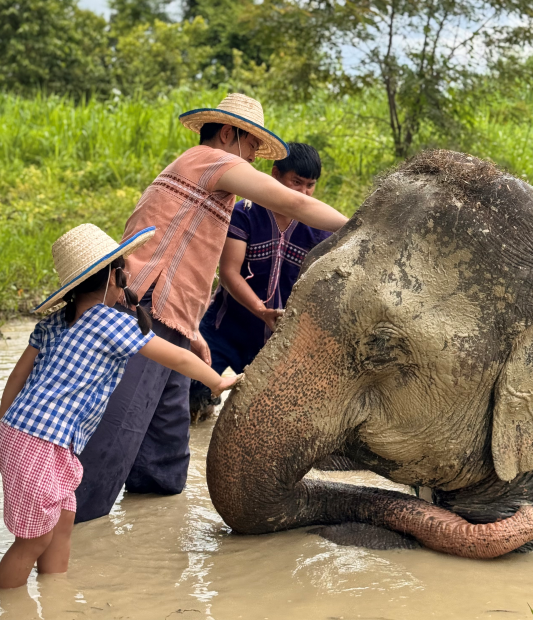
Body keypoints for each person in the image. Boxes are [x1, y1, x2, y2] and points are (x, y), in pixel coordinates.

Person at [74, 94, 348, 523]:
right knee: (116, 436)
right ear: (227, 134)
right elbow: (292, 203)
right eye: (252, 144)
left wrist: (192, 330)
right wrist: (361, 226)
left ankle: (151, 539)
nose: (254, 156)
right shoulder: (211, 160)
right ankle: (74, 531)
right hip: (147, 311)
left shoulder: (203, 175)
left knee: (164, 458)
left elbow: (186, 253)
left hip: (173, 317)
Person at [0, 223, 240, 590]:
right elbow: (177, 358)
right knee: (33, 540)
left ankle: (55, 598)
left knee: (62, 525)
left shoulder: (54, 322)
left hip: (33, 437)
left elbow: (17, 377)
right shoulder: (112, 322)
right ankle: (9, 607)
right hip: (41, 442)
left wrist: (5, 428)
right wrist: (216, 381)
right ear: (115, 277)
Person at [190, 142, 331, 418]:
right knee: (190, 401)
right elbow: (229, 273)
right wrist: (262, 310)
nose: (303, 193)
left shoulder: (320, 231)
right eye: (296, 182)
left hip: (274, 343)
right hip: (223, 329)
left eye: (310, 185)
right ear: (275, 175)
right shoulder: (245, 213)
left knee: (266, 415)